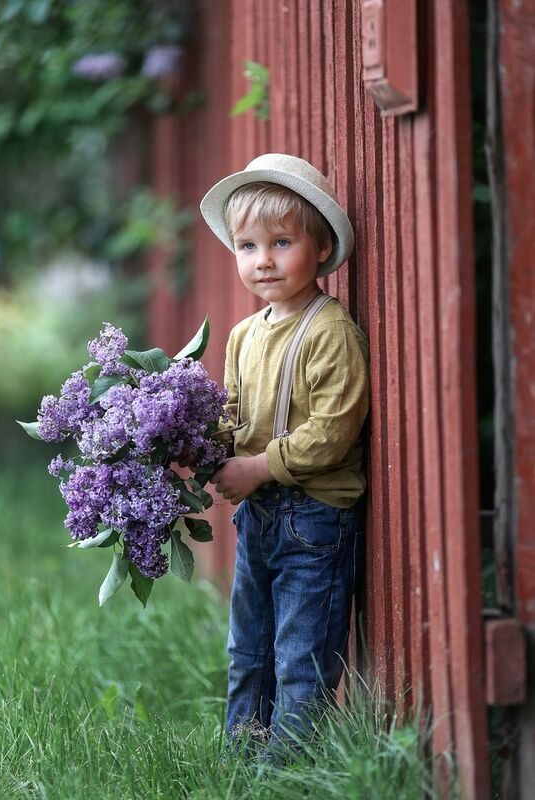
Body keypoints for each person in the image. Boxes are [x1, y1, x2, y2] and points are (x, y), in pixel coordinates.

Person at [199, 153, 369, 754]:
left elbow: (332, 430)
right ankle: (243, 761)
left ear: (320, 248)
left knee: (301, 656)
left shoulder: (330, 330)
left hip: (316, 520)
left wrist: (257, 466)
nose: (262, 260)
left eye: (280, 242)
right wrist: (194, 445)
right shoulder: (245, 335)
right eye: (247, 246)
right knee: (249, 648)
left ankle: (292, 772)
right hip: (261, 518)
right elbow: (232, 418)